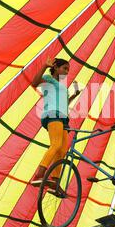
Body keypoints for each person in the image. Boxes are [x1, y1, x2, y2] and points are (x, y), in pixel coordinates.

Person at [30, 57, 81, 193]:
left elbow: (63, 104)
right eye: (64, 68)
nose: (67, 71)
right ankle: (39, 175)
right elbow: (34, 83)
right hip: (53, 115)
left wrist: (74, 95)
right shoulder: (49, 79)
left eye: (68, 70)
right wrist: (44, 66)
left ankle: (55, 181)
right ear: (56, 68)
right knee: (56, 144)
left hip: (62, 118)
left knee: (63, 150)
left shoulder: (62, 87)